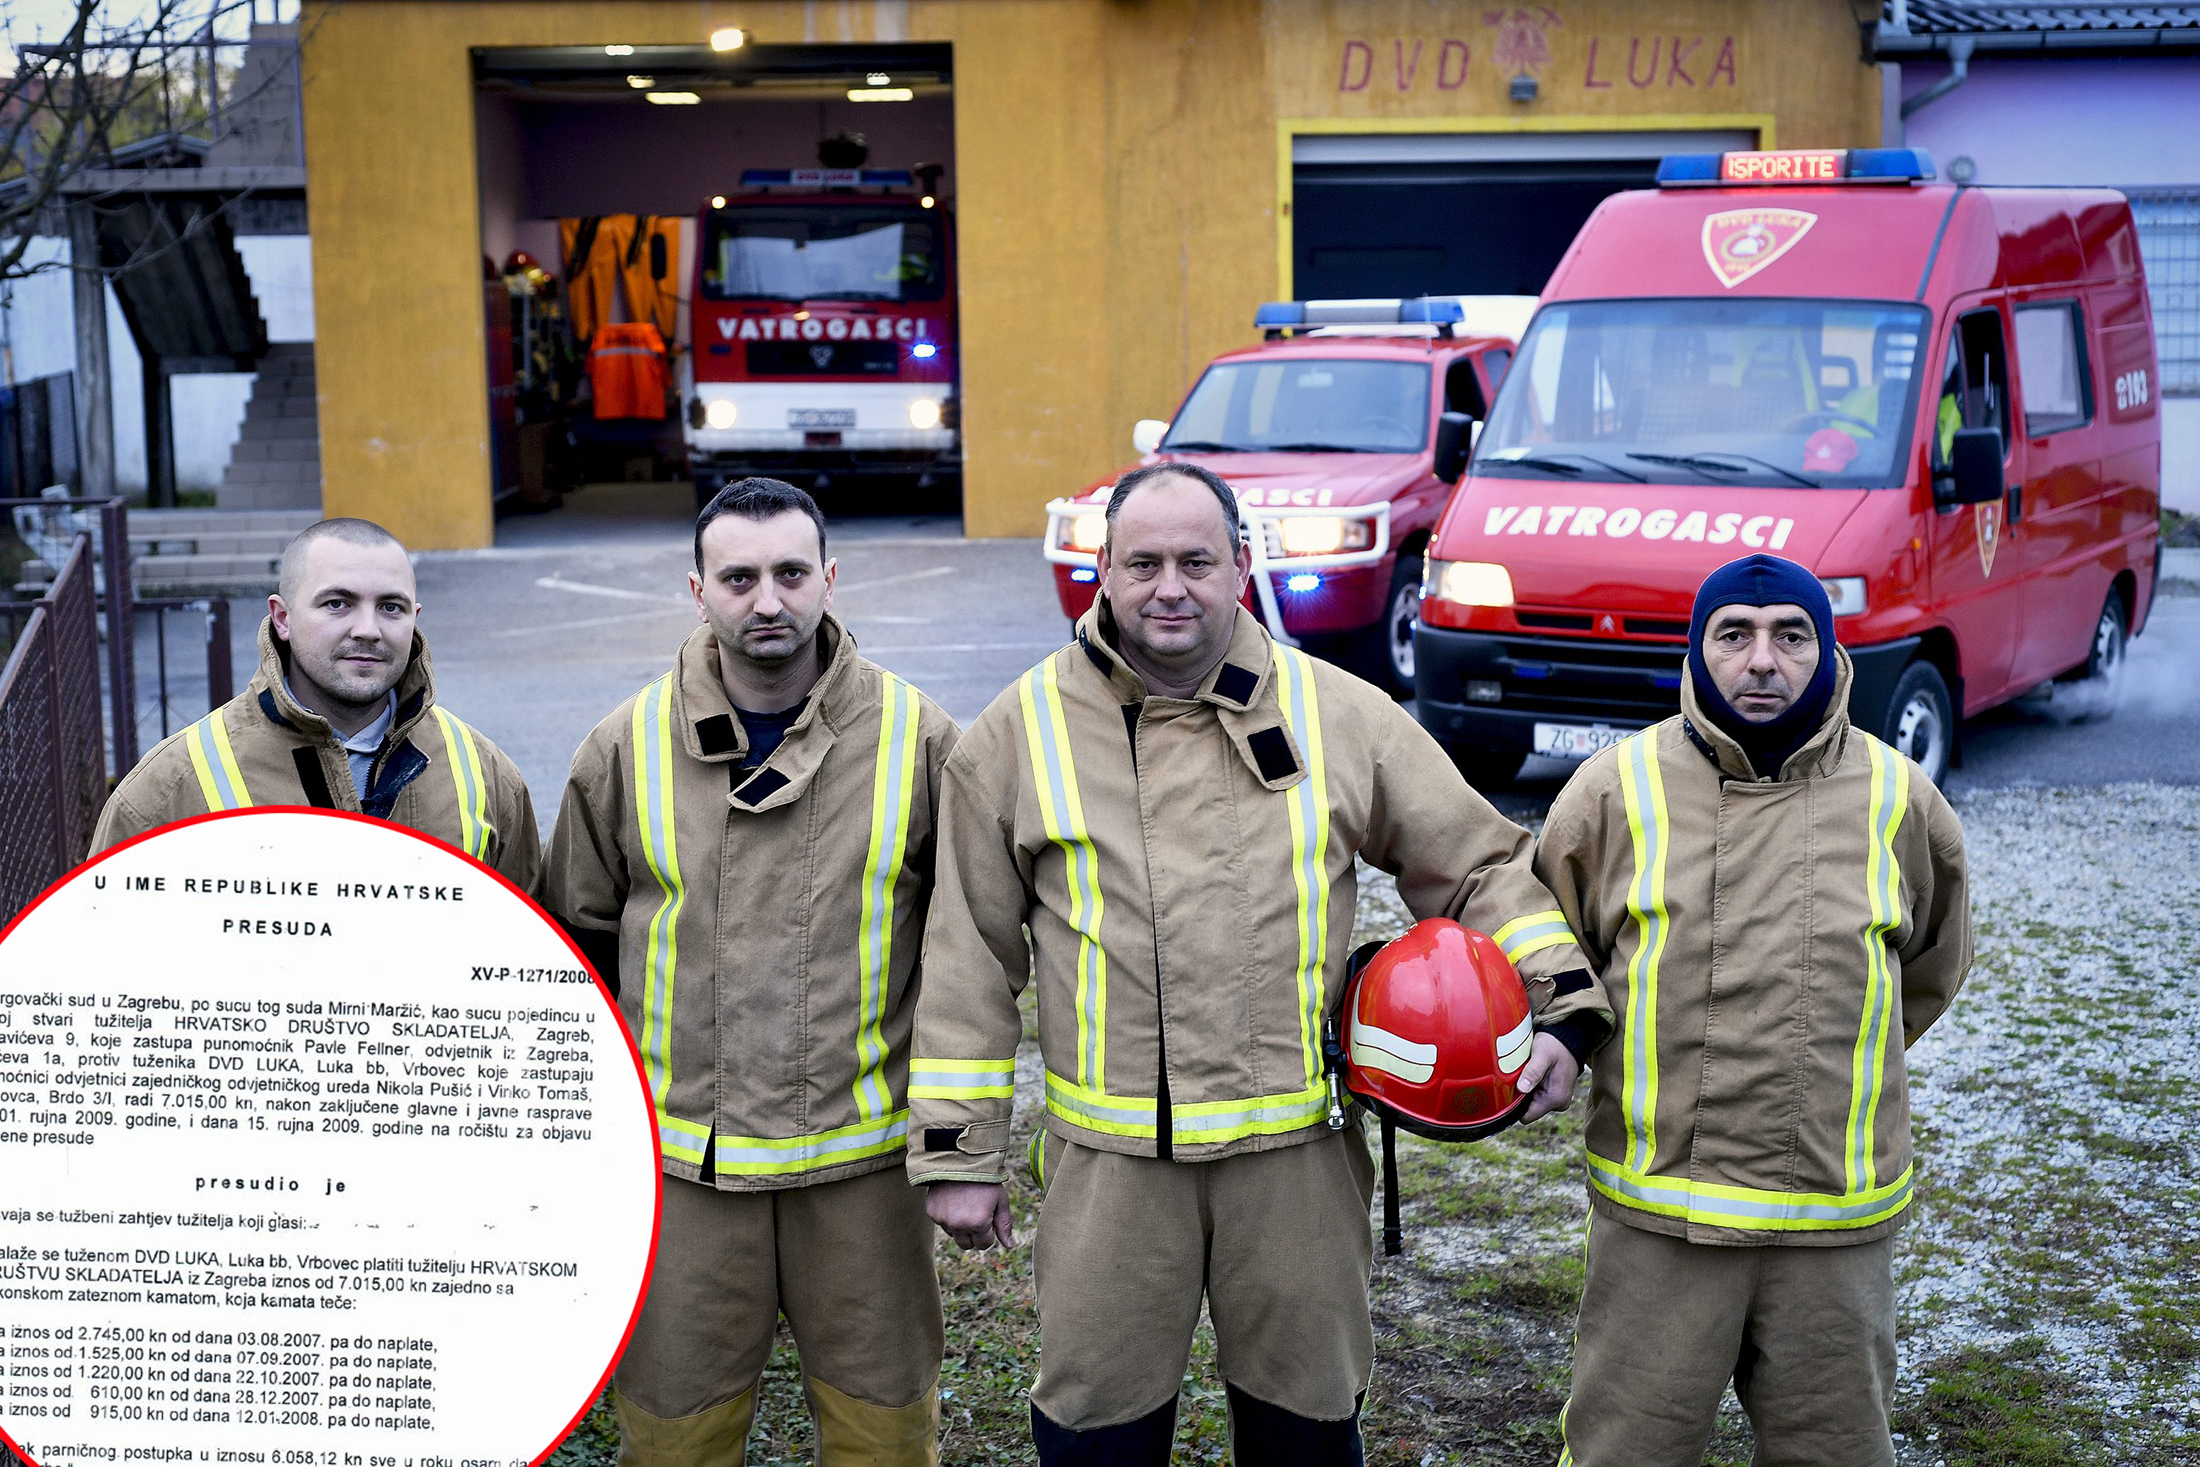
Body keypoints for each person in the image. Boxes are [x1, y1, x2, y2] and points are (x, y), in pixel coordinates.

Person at [906, 462, 1611, 1464]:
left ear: (1242, 563)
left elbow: (1476, 863)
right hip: (1112, 1177)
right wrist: (958, 1154)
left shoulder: (1335, 713)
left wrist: (1564, 1009)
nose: (1169, 586)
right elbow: (966, 954)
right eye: (1142, 561)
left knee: (1306, 1434)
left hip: (1294, 1167)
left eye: (1196, 560)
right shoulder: (1016, 734)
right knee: (1092, 1433)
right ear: (1101, 570)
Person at [541, 478, 958, 1466]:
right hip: (683, 1171)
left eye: (788, 573)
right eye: (738, 578)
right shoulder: (623, 746)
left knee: (885, 1431)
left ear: (829, 577)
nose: (766, 601)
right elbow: (578, 947)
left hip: (862, 1169)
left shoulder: (920, 739)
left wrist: (954, 1139)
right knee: (676, 1432)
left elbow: (965, 955)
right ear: (697, 590)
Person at [1534, 554, 1973, 1467]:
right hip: (1660, 1221)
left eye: (1791, 635)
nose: (1762, 660)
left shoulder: (1901, 799)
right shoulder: (1615, 789)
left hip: (1831, 1224)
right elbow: (1553, 945)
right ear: (1699, 650)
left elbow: (1929, 970)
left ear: (1829, 647)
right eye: (1734, 633)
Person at [91, 516, 538, 886]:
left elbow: (531, 958)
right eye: (338, 604)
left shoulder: (485, 775)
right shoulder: (169, 789)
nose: (368, 629)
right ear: (282, 618)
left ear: (414, 617)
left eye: (391, 607)